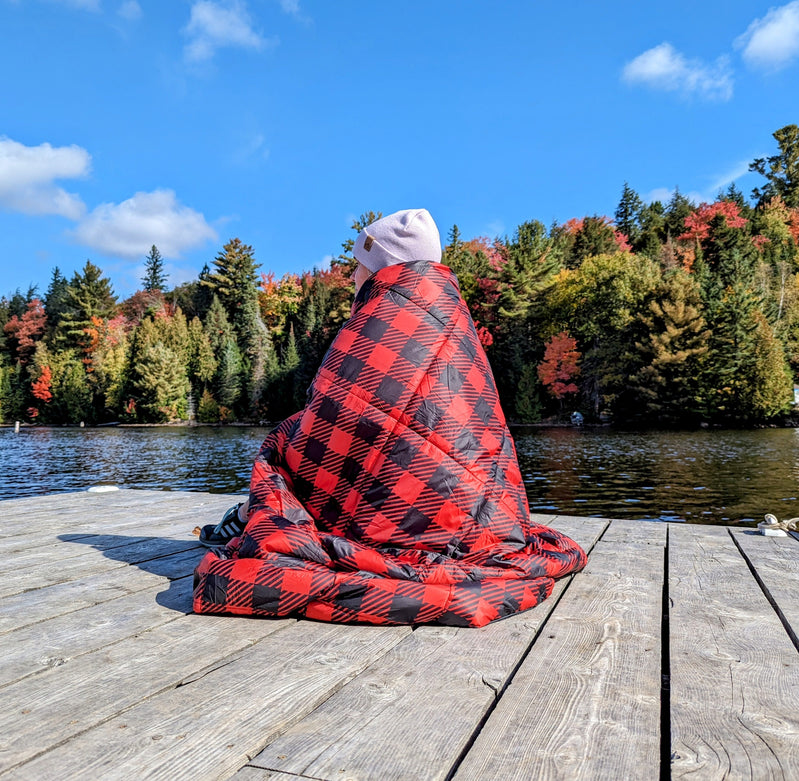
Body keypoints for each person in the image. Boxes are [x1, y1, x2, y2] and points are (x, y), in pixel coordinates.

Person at [193, 209, 587, 627]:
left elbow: (330, 422)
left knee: (281, 447)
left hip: (397, 523)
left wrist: (286, 441)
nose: (352, 278)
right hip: (487, 524)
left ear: (382, 267)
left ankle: (245, 520)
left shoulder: (376, 323)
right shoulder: (458, 323)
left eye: (359, 267)